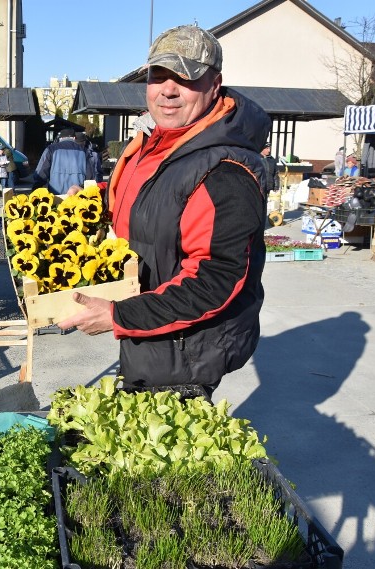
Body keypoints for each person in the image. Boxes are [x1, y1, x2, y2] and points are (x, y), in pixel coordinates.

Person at [58, 25, 271, 397]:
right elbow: (150, 198)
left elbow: (216, 279)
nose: (167, 90)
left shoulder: (225, 172)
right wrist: (93, 201)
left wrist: (118, 315)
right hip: (149, 323)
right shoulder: (159, 141)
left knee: (163, 446)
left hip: (185, 348)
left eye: (185, 78)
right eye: (159, 76)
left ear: (214, 84)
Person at [33, 127, 93, 194]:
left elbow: (40, 174)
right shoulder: (84, 151)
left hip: (56, 196)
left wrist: (35, 191)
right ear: (74, 138)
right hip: (76, 197)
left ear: (60, 138)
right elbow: (90, 177)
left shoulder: (51, 149)